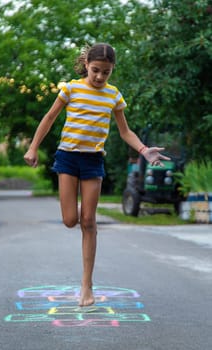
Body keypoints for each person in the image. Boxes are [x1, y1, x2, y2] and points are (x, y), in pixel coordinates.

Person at [24, 43, 170, 310]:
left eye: (106, 72)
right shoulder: (71, 88)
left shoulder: (113, 96)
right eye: (95, 71)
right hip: (67, 157)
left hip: (93, 160)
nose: (100, 77)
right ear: (86, 64)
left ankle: (87, 285)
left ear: (112, 70)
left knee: (88, 221)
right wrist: (33, 147)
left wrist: (144, 150)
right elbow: (49, 118)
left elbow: (125, 131)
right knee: (70, 220)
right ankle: (84, 274)